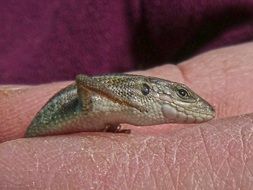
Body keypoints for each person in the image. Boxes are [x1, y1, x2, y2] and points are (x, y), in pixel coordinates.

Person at [0, 1, 253, 189]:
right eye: (182, 94)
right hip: (28, 140)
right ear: (147, 91)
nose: (191, 102)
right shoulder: (107, 98)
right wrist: (118, 103)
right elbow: (82, 82)